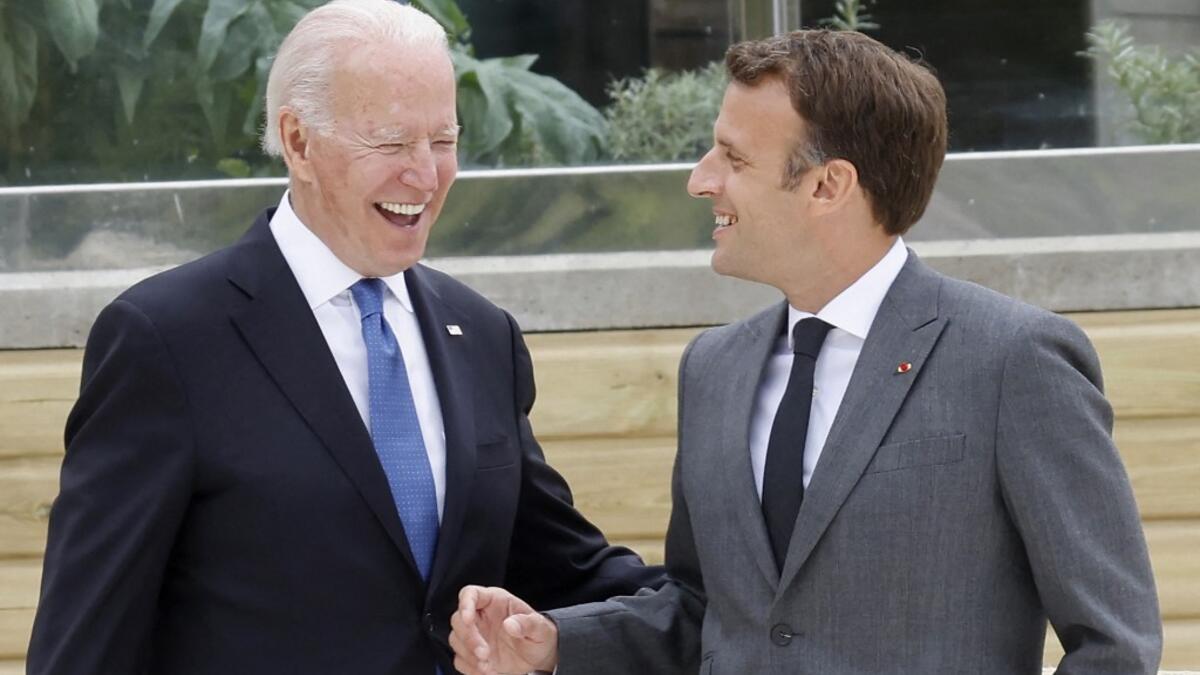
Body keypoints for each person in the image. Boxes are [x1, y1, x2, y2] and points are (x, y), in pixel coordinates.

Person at [448, 29, 1163, 675]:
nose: (701, 179)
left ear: (828, 185)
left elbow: (1115, 645)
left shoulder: (1013, 359)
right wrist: (557, 642)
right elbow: (703, 610)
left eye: (733, 158)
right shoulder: (714, 368)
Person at [26, 1, 663, 673]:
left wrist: (714, 603)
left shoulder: (482, 334)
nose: (426, 175)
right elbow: (86, 640)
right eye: (391, 143)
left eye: (443, 141)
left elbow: (567, 569)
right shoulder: (167, 339)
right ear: (298, 142)